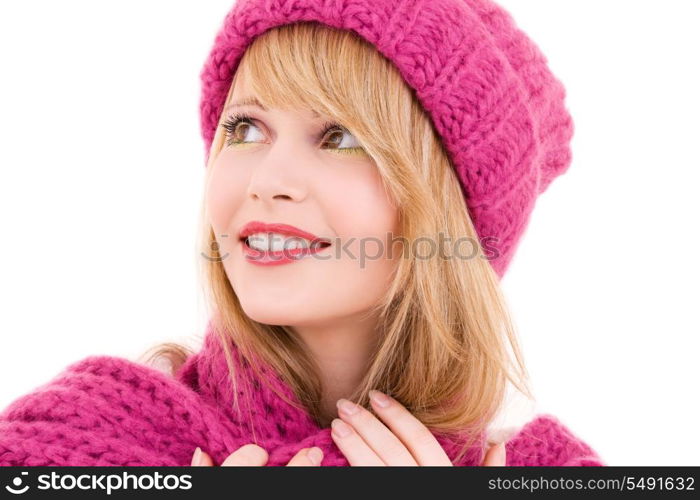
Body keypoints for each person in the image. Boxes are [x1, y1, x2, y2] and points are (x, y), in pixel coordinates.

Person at [0, 0, 604, 466]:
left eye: (340, 137)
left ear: (451, 214)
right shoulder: (72, 440)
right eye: (245, 129)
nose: (267, 179)